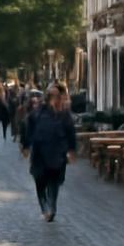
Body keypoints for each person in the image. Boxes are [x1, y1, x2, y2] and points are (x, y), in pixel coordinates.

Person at [24, 82, 78, 222]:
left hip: (57, 154)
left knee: (54, 182)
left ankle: (51, 208)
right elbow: (29, 128)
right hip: (40, 154)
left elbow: (70, 132)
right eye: (52, 96)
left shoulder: (64, 115)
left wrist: (72, 150)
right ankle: (44, 206)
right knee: (40, 182)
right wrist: (26, 145)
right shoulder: (38, 113)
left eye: (57, 96)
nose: (55, 99)